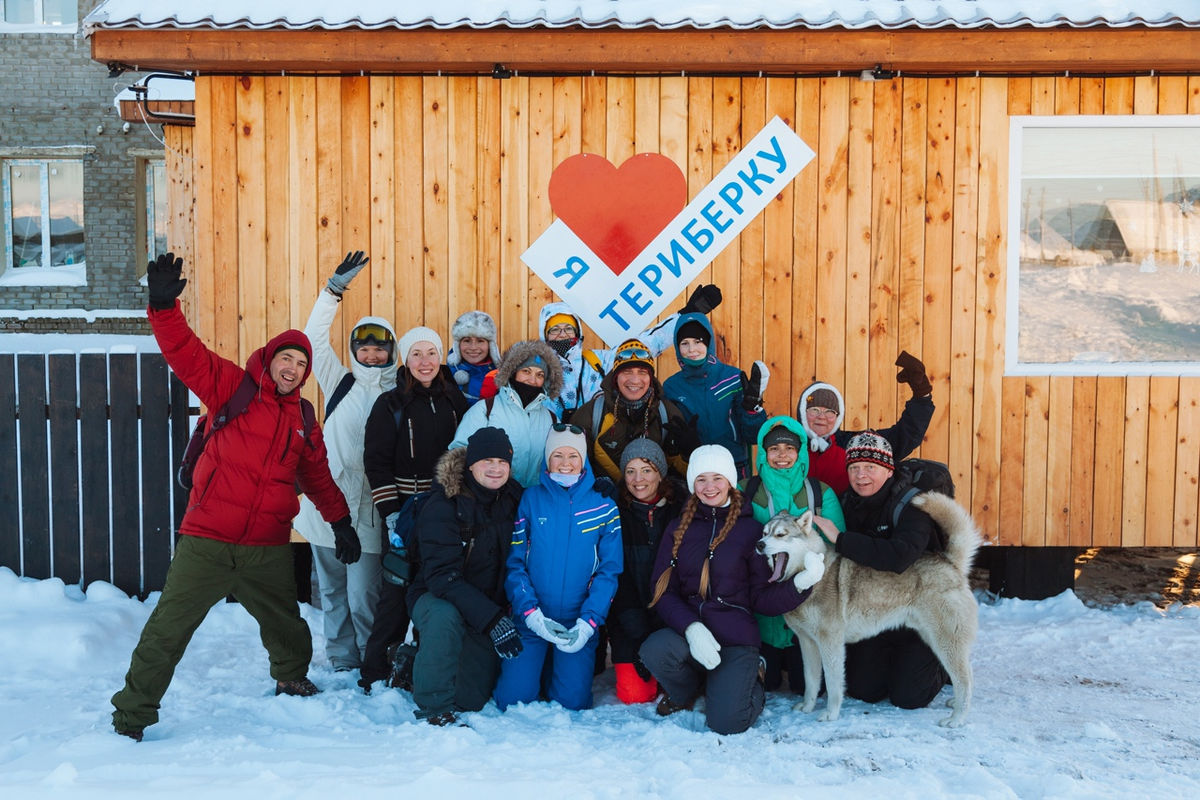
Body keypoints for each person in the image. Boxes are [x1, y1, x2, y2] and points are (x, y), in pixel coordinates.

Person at [111, 253, 358, 741]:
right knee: (167, 630)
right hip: (206, 541)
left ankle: (290, 676)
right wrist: (163, 305)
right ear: (269, 358)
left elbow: (318, 476)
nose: (292, 368)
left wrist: (341, 522)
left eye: (301, 363)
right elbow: (185, 352)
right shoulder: (231, 386)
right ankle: (132, 715)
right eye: (286, 357)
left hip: (266, 545)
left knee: (286, 625)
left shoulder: (303, 418)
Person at [639, 445, 813, 735]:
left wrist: (799, 586)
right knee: (654, 650)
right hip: (691, 632)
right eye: (702, 479)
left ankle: (749, 678)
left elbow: (761, 596)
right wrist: (692, 628)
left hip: (735, 639)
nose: (710, 487)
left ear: (730, 481)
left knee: (727, 723)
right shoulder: (678, 527)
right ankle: (686, 693)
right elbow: (663, 590)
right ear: (693, 483)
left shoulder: (749, 531)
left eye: (717, 478)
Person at [293, 250, 397, 673]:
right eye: (364, 347)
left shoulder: (400, 390)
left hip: (370, 508)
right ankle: (341, 660)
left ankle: (372, 659)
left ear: (391, 350)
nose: (371, 355)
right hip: (326, 504)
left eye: (379, 348)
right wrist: (333, 291)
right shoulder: (341, 381)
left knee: (362, 595)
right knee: (333, 590)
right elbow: (312, 341)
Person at [360, 326, 470, 689]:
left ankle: (424, 664)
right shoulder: (390, 404)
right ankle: (375, 671)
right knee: (395, 589)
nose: (425, 362)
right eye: (417, 354)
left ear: (441, 358)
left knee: (437, 584)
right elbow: (375, 462)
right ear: (406, 359)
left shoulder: (455, 399)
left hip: (443, 508)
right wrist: (390, 513)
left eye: (432, 353)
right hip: (404, 509)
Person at [809, 431, 950, 711]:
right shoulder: (848, 502)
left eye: (870, 467)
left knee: (909, 697)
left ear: (888, 470)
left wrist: (841, 539)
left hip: (917, 612)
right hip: (876, 613)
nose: (861, 475)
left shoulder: (913, 504)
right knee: (864, 690)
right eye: (854, 468)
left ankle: (939, 662)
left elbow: (901, 558)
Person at [493, 424, 622, 711]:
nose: (565, 463)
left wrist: (588, 624)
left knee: (572, 703)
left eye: (573, 456)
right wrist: (530, 614)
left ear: (584, 459)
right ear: (547, 459)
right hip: (532, 620)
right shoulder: (531, 499)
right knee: (512, 701)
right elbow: (515, 563)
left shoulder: (604, 506)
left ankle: (559, 668)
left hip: (576, 622)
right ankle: (535, 666)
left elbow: (609, 571)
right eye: (557, 455)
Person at [407, 427, 525, 726]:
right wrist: (493, 618)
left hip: (484, 605)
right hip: (437, 596)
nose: (496, 469)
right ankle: (433, 707)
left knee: (470, 698)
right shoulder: (445, 503)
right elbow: (442, 577)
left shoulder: (514, 497)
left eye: (503, 461)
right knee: (444, 616)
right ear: (470, 464)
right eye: (487, 460)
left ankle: (412, 663)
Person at [741, 416, 845, 693]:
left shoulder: (820, 494)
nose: (782, 455)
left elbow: (837, 551)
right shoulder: (746, 492)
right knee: (769, 683)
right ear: (763, 453)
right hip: (763, 617)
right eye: (774, 449)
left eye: (789, 448)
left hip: (810, 613)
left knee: (804, 686)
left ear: (800, 452)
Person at [536, 283, 720, 414]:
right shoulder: (535, 370)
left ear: (578, 331)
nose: (563, 334)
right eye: (555, 330)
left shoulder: (597, 361)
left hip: (598, 448)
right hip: (555, 455)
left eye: (568, 328)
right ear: (545, 334)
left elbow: (648, 343)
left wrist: (685, 315)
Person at [609, 438, 683, 704]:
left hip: (670, 617)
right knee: (635, 695)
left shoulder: (680, 509)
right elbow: (616, 574)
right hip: (629, 617)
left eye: (647, 470)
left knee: (674, 683)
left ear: (660, 473)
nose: (638, 479)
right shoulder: (615, 510)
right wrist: (637, 631)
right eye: (630, 471)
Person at [797, 351, 934, 494]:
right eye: (814, 410)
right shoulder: (788, 444)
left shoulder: (853, 444)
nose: (822, 417)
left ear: (838, 416)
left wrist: (922, 395)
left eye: (829, 412)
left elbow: (904, 436)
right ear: (801, 412)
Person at [571, 338, 696, 482]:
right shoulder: (591, 415)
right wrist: (593, 485)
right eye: (627, 372)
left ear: (650, 378)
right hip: (606, 501)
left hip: (651, 499)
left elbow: (684, 476)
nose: (635, 380)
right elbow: (572, 468)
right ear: (615, 377)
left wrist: (688, 455)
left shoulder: (667, 413)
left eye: (642, 372)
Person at [662, 311, 768, 479]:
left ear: (709, 342)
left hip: (735, 465)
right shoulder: (671, 387)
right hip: (695, 467)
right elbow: (669, 436)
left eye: (698, 342)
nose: (691, 350)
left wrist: (752, 411)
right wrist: (683, 445)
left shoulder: (733, 378)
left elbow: (754, 436)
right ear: (677, 347)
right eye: (685, 343)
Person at [449, 340, 563, 488]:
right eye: (526, 371)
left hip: (535, 501)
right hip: (494, 501)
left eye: (540, 375)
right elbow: (460, 453)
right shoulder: (485, 410)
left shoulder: (551, 418)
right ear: (513, 373)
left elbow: (563, 459)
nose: (532, 380)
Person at [446, 310, 501, 406]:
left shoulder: (503, 376)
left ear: (490, 346)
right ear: (458, 345)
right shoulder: (446, 376)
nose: (473, 347)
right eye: (467, 341)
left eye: (480, 341)